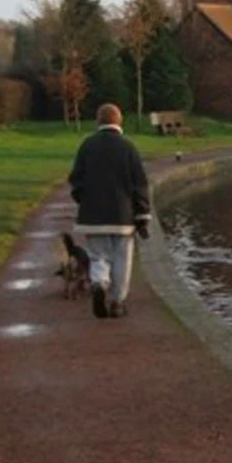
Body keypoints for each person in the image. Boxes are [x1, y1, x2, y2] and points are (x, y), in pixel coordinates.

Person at [68, 103, 150, 319]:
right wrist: (142, 214)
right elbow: (139, 184)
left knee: (98, 256)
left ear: (98, 121)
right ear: (119, 121)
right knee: (123, 259)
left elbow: (76, 180)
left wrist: (84, 200)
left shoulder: (87, 146)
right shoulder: (128, 147)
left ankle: (99, 283)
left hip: (93, 216)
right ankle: (117, 302)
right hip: (123, 216)